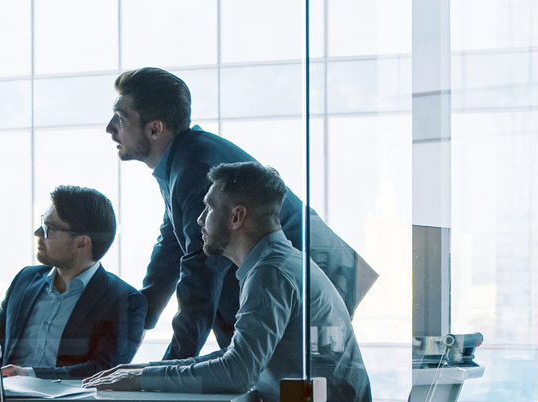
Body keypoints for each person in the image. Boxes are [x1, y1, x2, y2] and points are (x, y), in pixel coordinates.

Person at [106, 67, 378, 360]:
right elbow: (170, 250)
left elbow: (201, 274)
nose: (110, 128)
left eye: (120, 118)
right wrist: (134, 329)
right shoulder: (180, 162)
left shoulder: (196, 168)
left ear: (155, 129)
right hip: (308, 284)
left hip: (315, 289)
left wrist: (165, 374)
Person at [84, 162, 371, 402]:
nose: (199, 219)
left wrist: (143, 380)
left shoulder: (271, 273)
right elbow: (239, 356)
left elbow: (238, 372)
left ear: (236, 217)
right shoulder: (276, 264)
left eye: (208, 208)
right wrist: (143, 370)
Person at [0, 186, 145, 380]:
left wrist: (30, 375)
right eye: (42, 223)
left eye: (49, 228)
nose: (38, 233)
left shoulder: (124, 301)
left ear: (82, 242)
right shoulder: (24, 281)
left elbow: (103, 370)